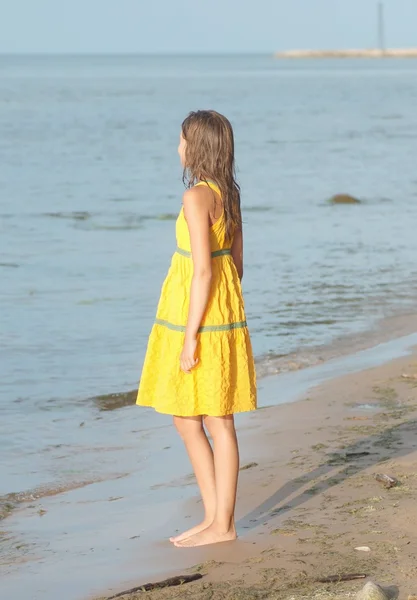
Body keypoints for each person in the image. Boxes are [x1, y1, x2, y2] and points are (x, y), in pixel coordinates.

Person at [136, 110, 257, 548]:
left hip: (198, 313)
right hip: (223, 310)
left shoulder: (195, 198)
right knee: (195, 418)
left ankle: (222, 525)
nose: (177, 147)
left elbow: (203, 271)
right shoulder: (230, 193)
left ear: (197, 147)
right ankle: (213, 518)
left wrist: (190, 337)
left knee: (208, 417)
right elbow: (235, 265)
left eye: (182, 139)